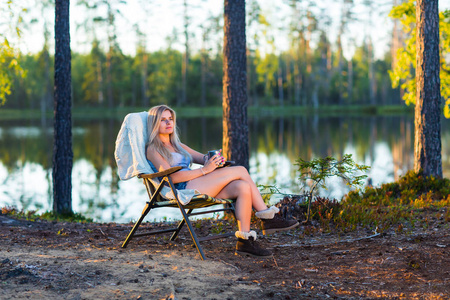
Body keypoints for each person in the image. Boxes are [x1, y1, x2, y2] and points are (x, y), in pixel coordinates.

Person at [146, 105, 299, 257]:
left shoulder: (178, 146)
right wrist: (205, 170)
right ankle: (268, 217)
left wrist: (213, 160)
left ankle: (244, 241)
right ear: (154, 124)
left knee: (242, 186)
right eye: (163, 120)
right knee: (241, 171)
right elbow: (171, 177)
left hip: (199, 182)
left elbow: (202, 158)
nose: (168, 123)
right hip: (182, 188)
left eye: (170, 119)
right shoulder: (153, 149)